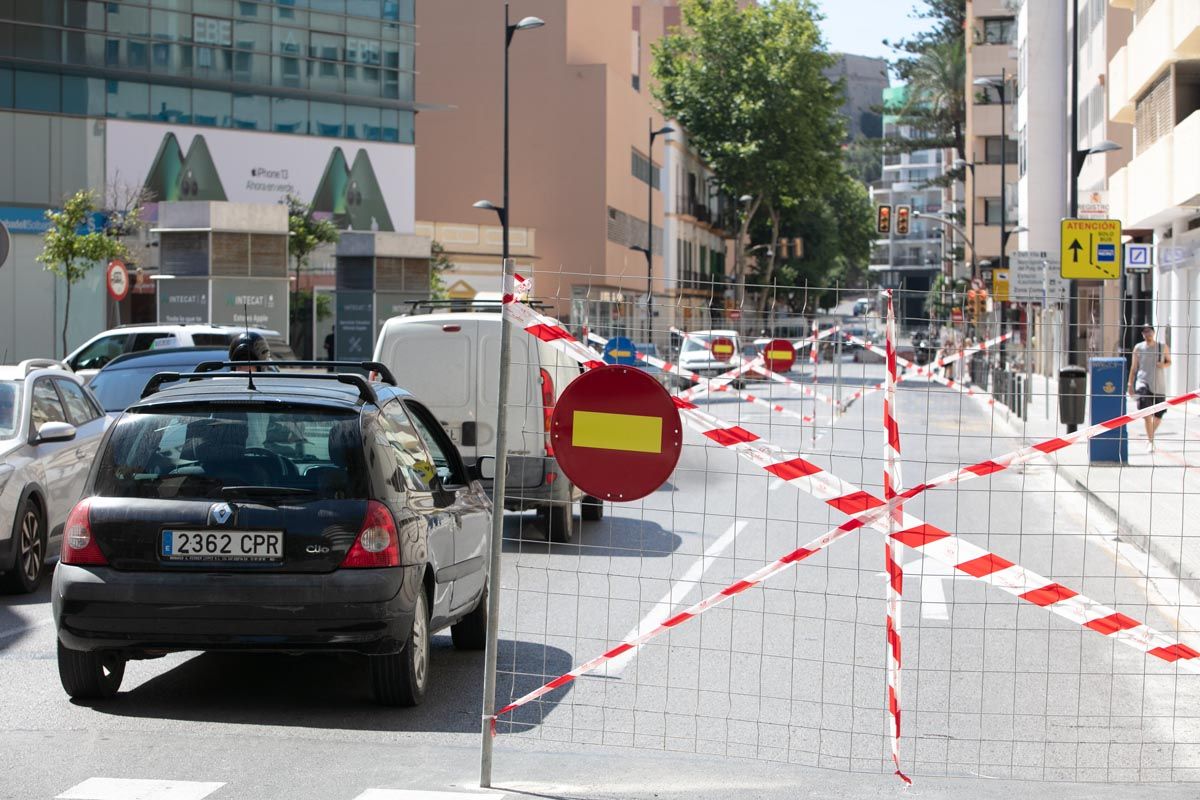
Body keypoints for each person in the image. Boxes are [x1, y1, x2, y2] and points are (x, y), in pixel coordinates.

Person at [1128, 324, 1171, 452]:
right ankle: (1151, 441)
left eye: (1149, 331)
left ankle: (1149, 437)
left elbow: (1169, 361)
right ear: (1142, 334)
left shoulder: (1162, 347)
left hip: (1159, 384)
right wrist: (1130, 384)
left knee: (1159, 415)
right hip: (1143, 383)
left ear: (1153, 332)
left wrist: (1163, 365)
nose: (1147, 334)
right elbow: (1134, 367)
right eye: (1145, 332)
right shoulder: (1138, 348)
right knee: (1146, 413)